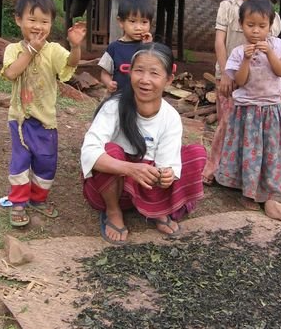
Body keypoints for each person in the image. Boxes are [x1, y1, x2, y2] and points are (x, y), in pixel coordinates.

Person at [81, 43, 207, 245]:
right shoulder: (114, 106)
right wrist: (129, 168)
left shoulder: (171, 117)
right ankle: (113, 212)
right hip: (114, 187)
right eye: (139, 71)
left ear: (168, 79)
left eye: (154, 73)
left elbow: (168, 163)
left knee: (197, 154)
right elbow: (88, 152)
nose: (145, 80)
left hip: (147, 183)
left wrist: (166, 175)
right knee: (109, 151)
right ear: (130, 73)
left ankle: (157, 208)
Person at [1, 0, 86, 227]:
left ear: (51, 24)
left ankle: (38, 199)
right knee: (21, 160)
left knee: (46, 161)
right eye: (32, 20)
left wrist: (76, 46)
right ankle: (18, 201)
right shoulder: (13, 50)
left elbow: (69, 65)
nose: (38, 26)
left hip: (46, 120)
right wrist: (30, 51)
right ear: (19, 20)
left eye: (44, 21)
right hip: (20, 118)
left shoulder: (54, 50)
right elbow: (11, 72)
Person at [202, 0, 281, 185]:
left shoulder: (271, 14)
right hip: (228, 77)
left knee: (251, 130)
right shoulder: (227, 7)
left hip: (257, 82)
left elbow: (272, 48)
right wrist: (226, 73)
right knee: (227, 122)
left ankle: (243, 175)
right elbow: (220, 42)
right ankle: (213, 168)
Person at [215, 0, 281, 222]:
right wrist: (247, 60)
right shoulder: (239, 52)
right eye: (250, 26)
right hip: (246, 108)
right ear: (241, 25)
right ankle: (246, 190)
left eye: (262, 26)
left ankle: (269, 189)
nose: (256, 31)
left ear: (270, 25)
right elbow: (240, 80)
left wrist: (268, 52)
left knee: (269, 150)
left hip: (270, 108)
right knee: (247, 150)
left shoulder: (278, 46)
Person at [98, 0, 154, 93]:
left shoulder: (151, 47)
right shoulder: (114, 48)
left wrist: (148, 46)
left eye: (144, 22)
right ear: (121, 22)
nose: (138, 27)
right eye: (132, 21)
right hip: (119, 97)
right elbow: (105, 73)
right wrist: (108, 83)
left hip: (141, 98)